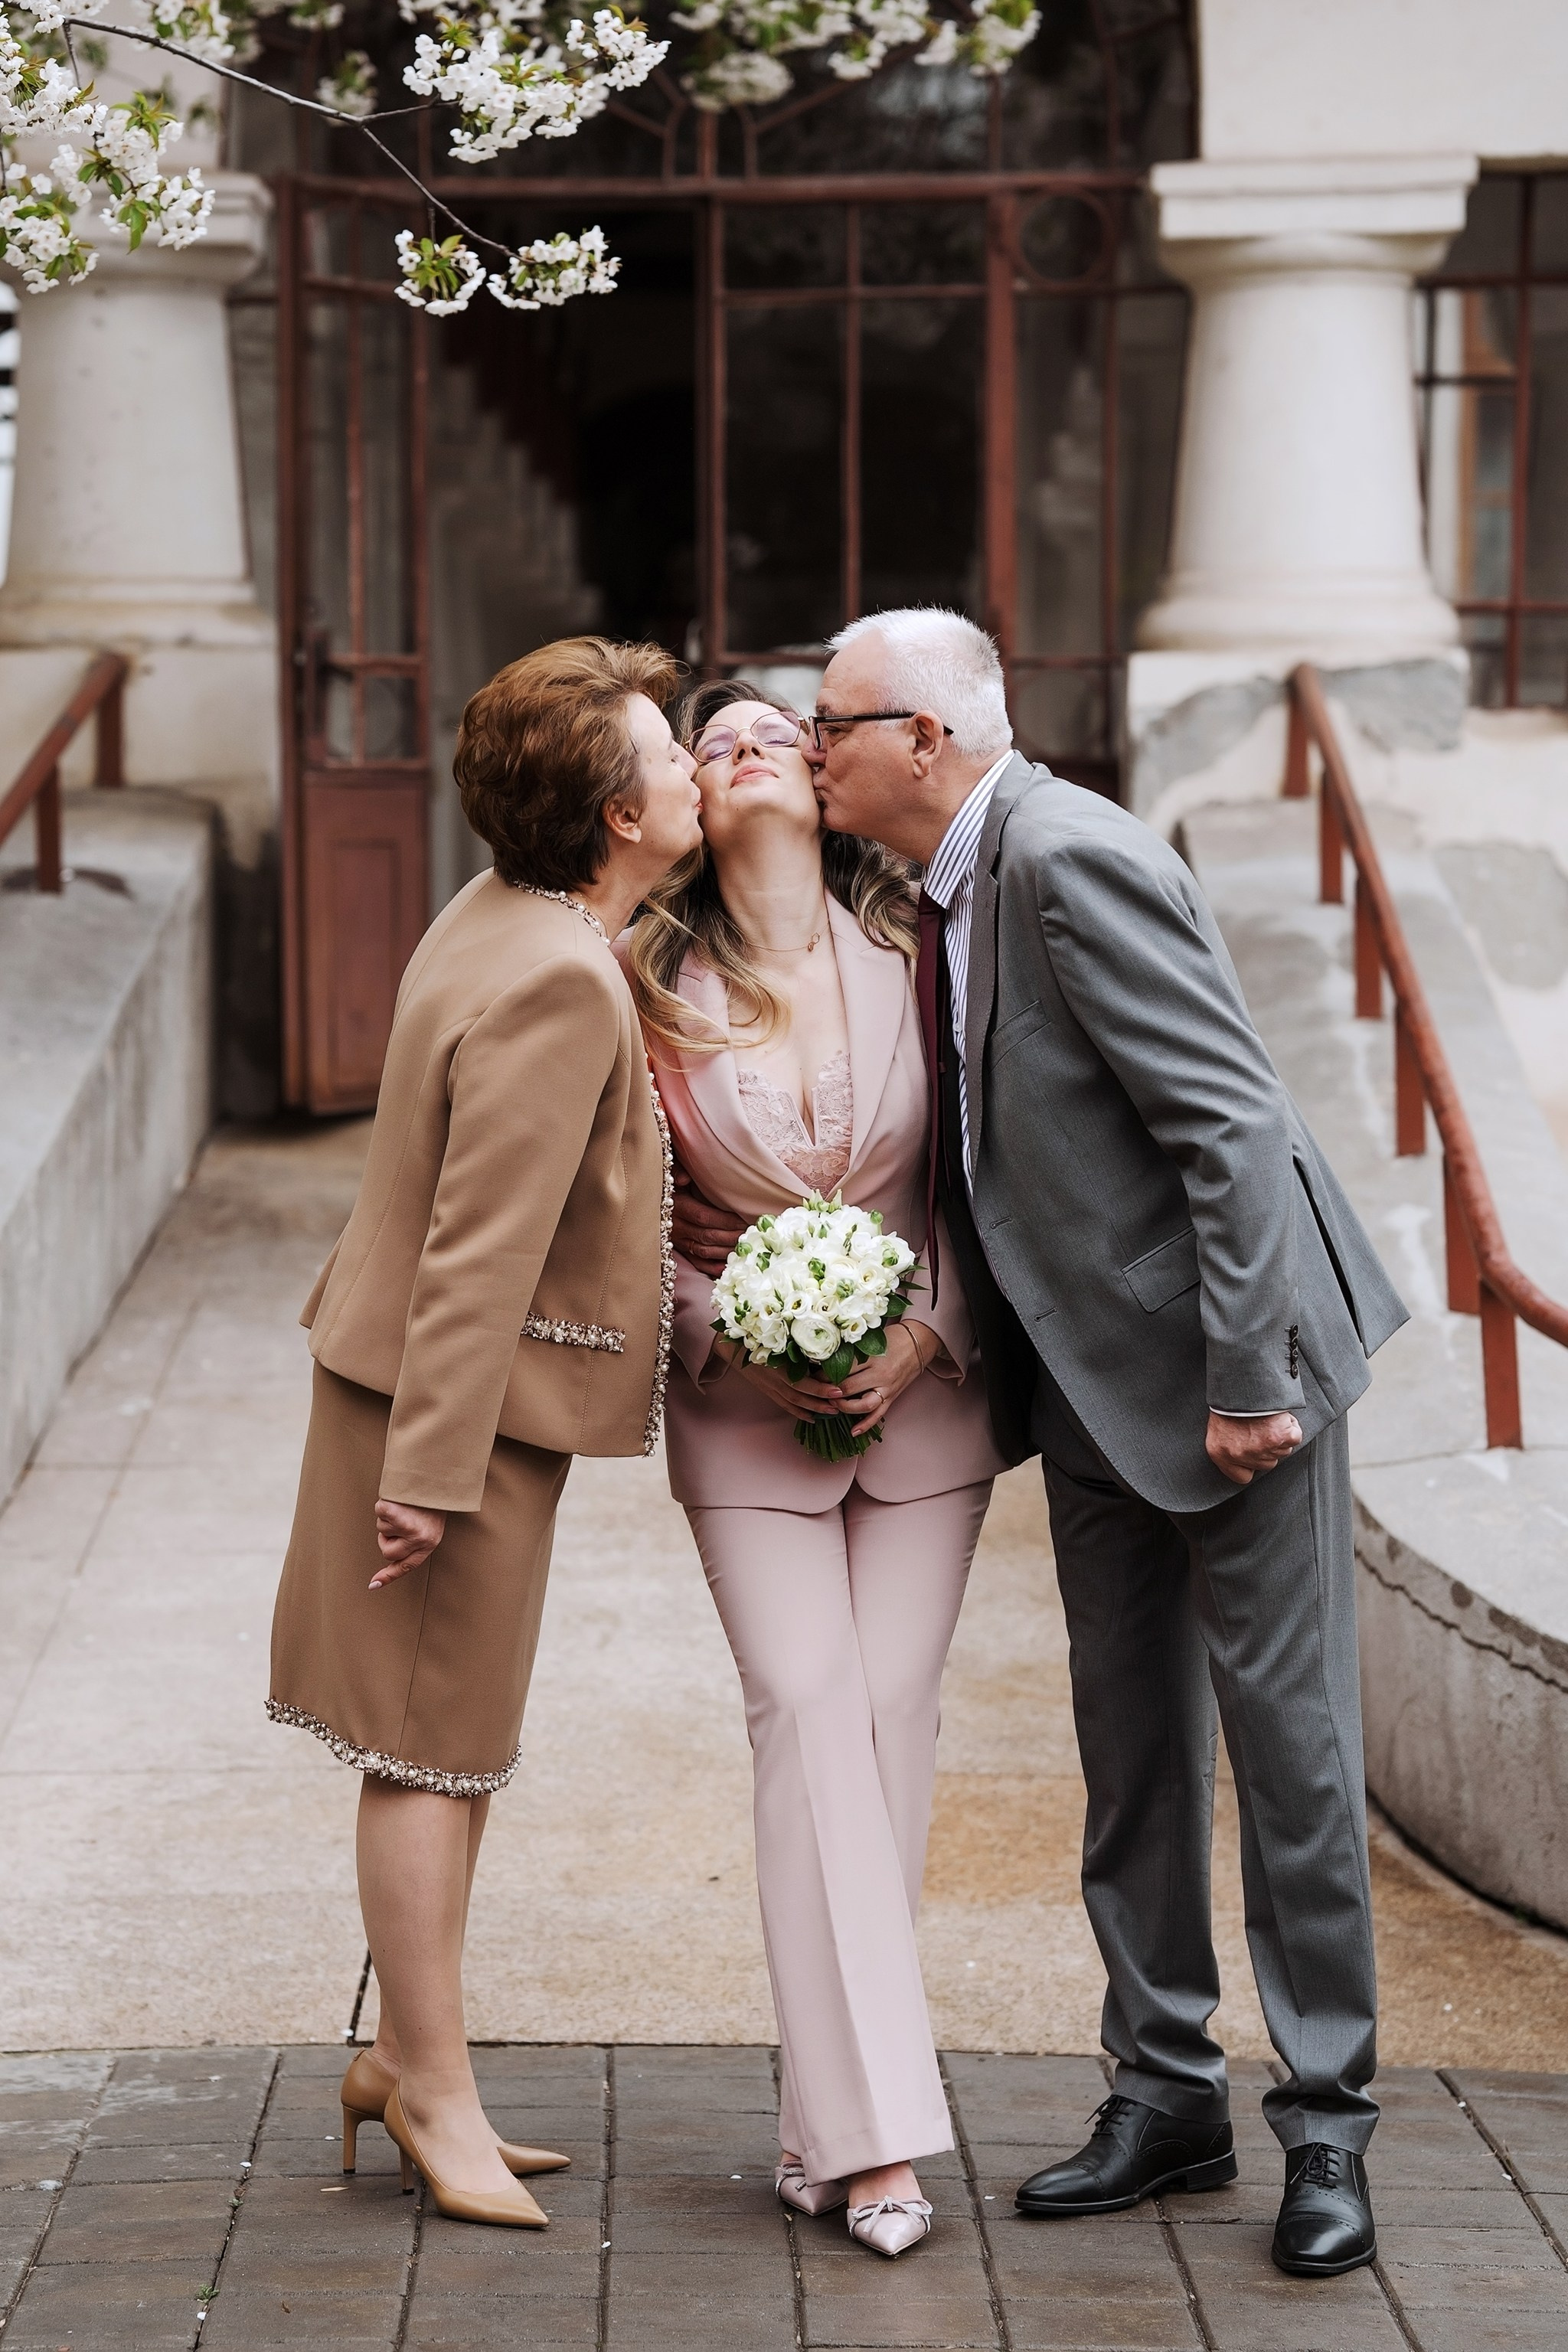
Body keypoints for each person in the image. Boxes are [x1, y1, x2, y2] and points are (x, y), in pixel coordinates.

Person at [797, 606, 1407, 2281]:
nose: (809, 740)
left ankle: (1331, 2124)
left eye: (832, 716)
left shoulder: (1067, 855)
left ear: (923, 738)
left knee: (1287, 1758)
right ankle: (1165, 2095)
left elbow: (1226, 1119)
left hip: (1232, 1381)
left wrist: (1247, 1377)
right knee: (1131, 1749)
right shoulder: (945, 883)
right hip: (1088, 1385)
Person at [268, 637, 701, 2230]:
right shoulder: (560, 976)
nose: (693, 768)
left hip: (419, 1394)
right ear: (613, 813)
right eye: (668, 753)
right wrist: (431, 1477)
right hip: (444, 1411)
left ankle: (402, 2057)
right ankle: (432, 2092)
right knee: (424, 1752)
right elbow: (480, 1244)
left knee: (449, 1746)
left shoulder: (507, 914)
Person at [628, 681, 1004, 2259]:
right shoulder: (636, 989)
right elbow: (615, 1229)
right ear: (689, 807)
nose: (745, 745)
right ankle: (874, 2150)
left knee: (894, 1724)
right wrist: (731, 1329)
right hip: (740, 1415)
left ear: (824, 773)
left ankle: (828, 2114)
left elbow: (996, 1180)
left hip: (926, 1409)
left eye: (775, 725)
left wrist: (926, 1334)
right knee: (806, 1708)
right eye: (707, 742)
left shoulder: (922, 955)